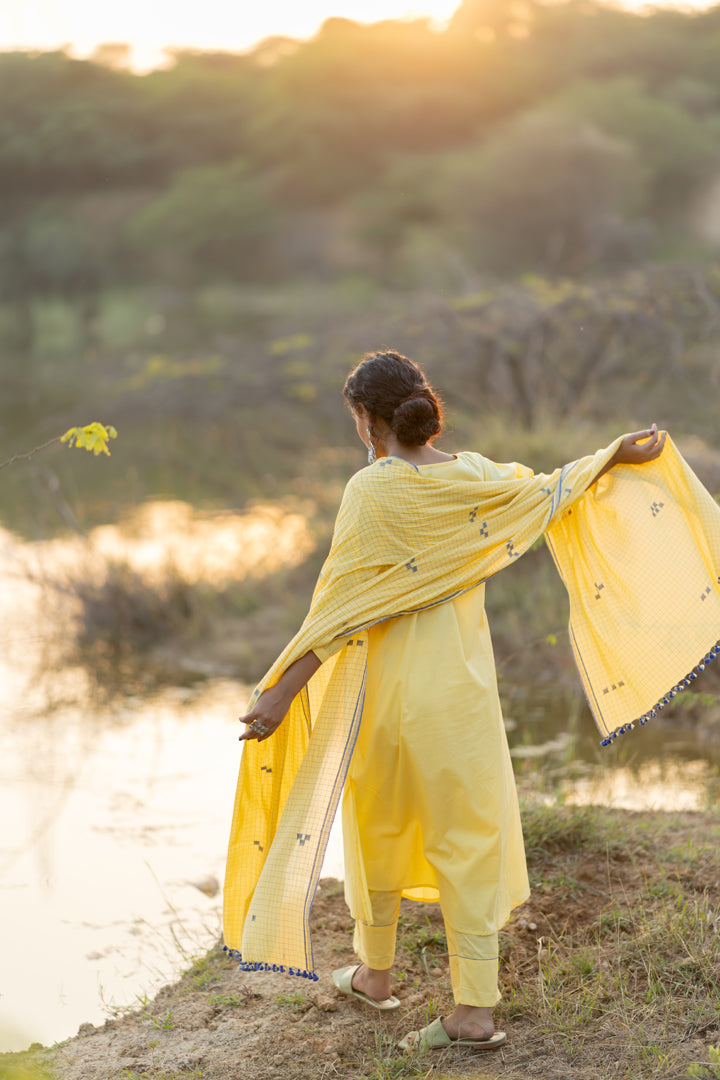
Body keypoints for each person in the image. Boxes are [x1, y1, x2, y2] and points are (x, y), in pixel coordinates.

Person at [229, 349, 667, 1053]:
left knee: (377, 825)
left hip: (383, 693)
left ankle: (376, 973)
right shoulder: (480, 479)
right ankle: (471, 1008)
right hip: (457, 695)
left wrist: (281, 690)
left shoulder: (371, 491)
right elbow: (555, 489)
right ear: (424, 407)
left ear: (370, 422)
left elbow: (338, 606)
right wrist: (614, 454)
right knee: (467, 836)